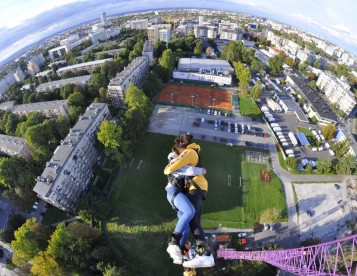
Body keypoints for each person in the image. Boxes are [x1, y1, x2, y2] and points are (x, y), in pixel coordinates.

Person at [164, 133, 215, 268]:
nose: (179, 156)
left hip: (188, 191)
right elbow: (189, 169)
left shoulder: (188, 153)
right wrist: (201, 170)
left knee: (189, 220)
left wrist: (200, 170)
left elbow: (188, 169)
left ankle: (180, 248)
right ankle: (176, 245)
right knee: (191, 216)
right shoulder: (179, 162)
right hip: (179, 191)